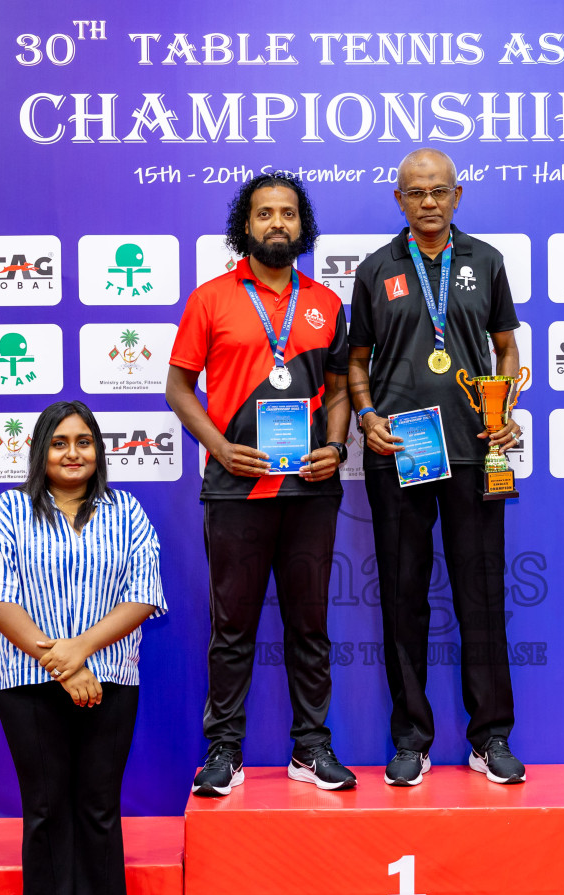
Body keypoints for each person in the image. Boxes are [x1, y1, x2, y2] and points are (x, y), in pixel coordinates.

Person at [0, 400, 166, 895]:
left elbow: (142, 595)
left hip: (110, 678)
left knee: (99, 810)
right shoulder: (7, 511)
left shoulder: (127, 511)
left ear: (99, 449)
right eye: (59, 443)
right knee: (48, 810)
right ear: (40, 453)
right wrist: (62, 665)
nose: (72, 452)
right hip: (27, 683)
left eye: (83, 441)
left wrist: (79, 653)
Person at [166, 172, 356, 796]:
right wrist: (218, 447)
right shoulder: (211, 299)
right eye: (265, 213)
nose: (278, 223)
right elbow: (177, 388)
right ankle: (224, 752)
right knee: (233, 627)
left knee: (309, 624)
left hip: (309, 490)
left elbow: (337, 394)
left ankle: (311, 747)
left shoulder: (326, 303)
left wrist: (334, 446)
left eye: (289, 213)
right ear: (244, 225)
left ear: (303, 226)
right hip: (234, 489)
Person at [347, 148, 527, 787]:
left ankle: (491, 737)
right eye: (415, 192)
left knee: (481, 598)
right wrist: (365, 418)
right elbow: (357, 361)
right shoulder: (375, 271)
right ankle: (411, 740)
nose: (428, 202)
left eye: (439, 191)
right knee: (403, 599)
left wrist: (505, 404)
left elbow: (507, 347)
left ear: (458, 195)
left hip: (476, 451)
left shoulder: (487, 261)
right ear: (399, 199)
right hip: (400, 454)